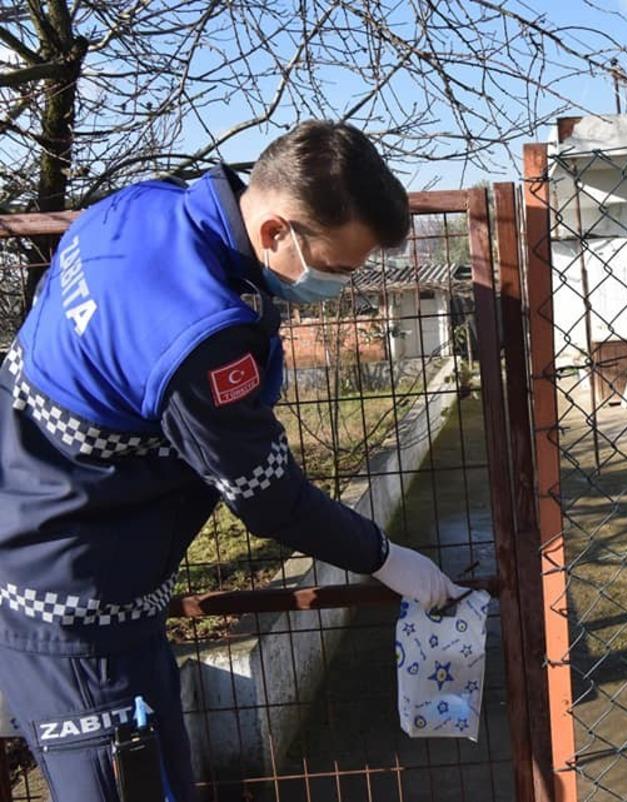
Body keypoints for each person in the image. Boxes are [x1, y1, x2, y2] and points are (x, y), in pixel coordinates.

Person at [0, 121, 465, 801]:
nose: (342, 286)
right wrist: (385, 556)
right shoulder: (198, 336)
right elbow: (269, 496)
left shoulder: (141, 208)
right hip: (79, 611)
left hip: (42, 533)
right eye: (337, 269)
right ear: (276, 232)